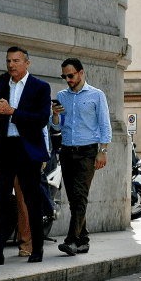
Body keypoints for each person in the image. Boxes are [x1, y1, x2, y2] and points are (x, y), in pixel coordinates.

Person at [0, 46, 51, 266]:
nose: (11, 65)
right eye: (8, 61)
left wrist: (13, 112)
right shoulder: (1, 85)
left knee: (32, 201)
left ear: (27, 63)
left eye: (16, 61)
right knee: (0, 201)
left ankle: (36, 249)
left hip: (28, 150)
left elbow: (41, 119)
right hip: (5, 148)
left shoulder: (40, 87)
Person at [51, 57, 111, 256]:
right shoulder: (62, 95)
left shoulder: (96, 95)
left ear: (81, 73)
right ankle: (84, 239)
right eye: (65, 76)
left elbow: (105, 125)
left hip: (88, 152)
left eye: (71, 75)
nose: (68, 79)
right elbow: (58, 126)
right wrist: (55, 115)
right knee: (74, 198)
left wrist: (102, 152)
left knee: (79, 195)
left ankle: (71, 241)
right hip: (67, 151)